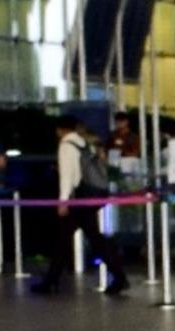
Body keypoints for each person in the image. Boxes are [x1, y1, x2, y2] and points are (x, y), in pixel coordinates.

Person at [32, 116, 128, 294]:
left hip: (79, 198)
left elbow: (67, 176)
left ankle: (119, 276)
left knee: (75, 238)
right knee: (81, 237)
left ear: (59, 130)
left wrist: (63, 201)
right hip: (91, 196)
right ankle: (52, 279)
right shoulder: (85, 143)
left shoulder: (66, 146)